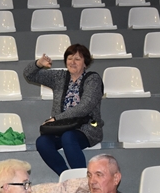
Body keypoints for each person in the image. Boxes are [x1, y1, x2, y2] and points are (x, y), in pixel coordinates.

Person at [23, 44, 104, 176]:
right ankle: (66, 177)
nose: (72, 62)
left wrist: (56, 119)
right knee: (42, 142)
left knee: (68, 137)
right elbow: (28, 75)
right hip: (61, 129)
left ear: (85, 63)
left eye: (77, 59)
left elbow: (85, 107)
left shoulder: (93, 79)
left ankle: (82, 179)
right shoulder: (59, 77)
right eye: (69, 58)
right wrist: (39, 63)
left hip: (86, 128)